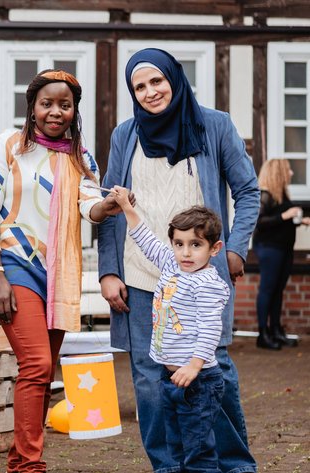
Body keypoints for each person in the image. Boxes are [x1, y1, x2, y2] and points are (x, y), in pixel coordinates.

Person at [97, 48, 259, 473]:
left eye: (157, 81)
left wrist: (237, 248)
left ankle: (234, 465)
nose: (150, 92)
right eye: (139, 86)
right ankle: (169, 466)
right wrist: (110, 271)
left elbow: (247, 191)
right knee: (151, 379)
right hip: (141, 275)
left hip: (200, 273)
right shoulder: (125, 134)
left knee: (211, 369)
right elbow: (110, 204)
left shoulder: (215, 125)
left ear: (174, 78)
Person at [0, 69, 127, 472]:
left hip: (57, 273)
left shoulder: (79, 156)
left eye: (65, 105)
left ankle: (17, 460)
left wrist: (109, 205)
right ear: (32, 108)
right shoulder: (8, 146)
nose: (55, 112)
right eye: (47, 104)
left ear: (74, 111)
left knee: (41, 372)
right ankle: (30, 466)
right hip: (11, 265)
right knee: (38, 364)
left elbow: (88, 206)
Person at [114, 190, 230, 472]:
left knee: (199, 449)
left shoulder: (206, 283)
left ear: (214, 249)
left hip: (198, 381)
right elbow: (147, 241)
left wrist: (194, 365)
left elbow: (211, 328)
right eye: (179, 243)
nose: (186, 252)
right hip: (171, 377)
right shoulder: (171, 264)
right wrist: (127, 208)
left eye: (195, 244)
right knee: (176, 444)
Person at [253, 159, 308, 349]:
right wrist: (286, 215)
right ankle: (263, 334)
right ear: (278, 172)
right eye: (288, 170)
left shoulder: (281, 195)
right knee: (268, 290)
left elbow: (279, 221)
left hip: (283, 248)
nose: (291, 173)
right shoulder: (265, 194)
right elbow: (259, 222)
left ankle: (276, 330)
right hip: (270, 249)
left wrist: (301, 220)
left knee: (278, 291)